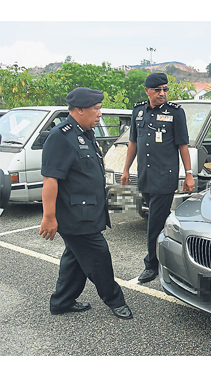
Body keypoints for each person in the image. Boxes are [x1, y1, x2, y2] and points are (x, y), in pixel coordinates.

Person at [39, 87, 132, 320]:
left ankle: (61, 302)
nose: (100, 113)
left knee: (75, 258)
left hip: (87, 211)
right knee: (98, 256)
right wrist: (49, 217)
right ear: (79, 110)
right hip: (75, 215)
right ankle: (114, 299)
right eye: (96, 109)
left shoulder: (85, 132)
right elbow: (50, 180)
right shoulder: (60, 137)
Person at [121, 73, 194, 283]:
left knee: (154, 223)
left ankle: (151, 265)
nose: (162, 93)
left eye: (165, 89)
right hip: (145, 176)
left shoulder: (175, 113)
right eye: (158, 90)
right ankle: (167, 261)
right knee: (157, 223)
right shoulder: (138, 111)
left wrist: (188, 175)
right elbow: (133, 142)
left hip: (164, 177)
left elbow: (183, 146)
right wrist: (126, 169)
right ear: (147, 91)